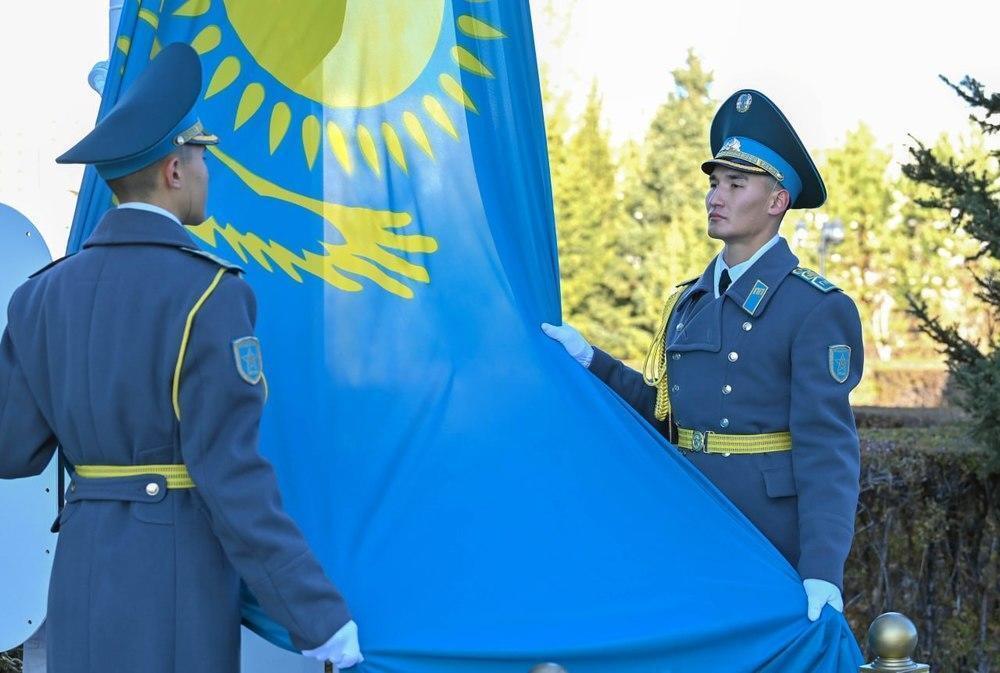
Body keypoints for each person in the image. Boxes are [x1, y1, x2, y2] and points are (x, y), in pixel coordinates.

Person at [0, 43, 362, 672]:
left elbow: (11, 448)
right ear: (174, 169)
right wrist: (318, 618)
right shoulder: (211, 293)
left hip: (81, 579)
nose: (206, 173)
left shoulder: (38, 298)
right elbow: (233, 479)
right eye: (202, 157)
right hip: (174, 588)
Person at [543, 89, 864, 622]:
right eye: (715, 183)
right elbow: (667, 416)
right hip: (686, 521)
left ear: (776, 201)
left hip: (766, 538)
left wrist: (822, 570)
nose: (716, 196)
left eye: (736, 184)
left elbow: (828, 450)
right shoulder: (689, 300)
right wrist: (589, 361)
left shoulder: (814, 308)